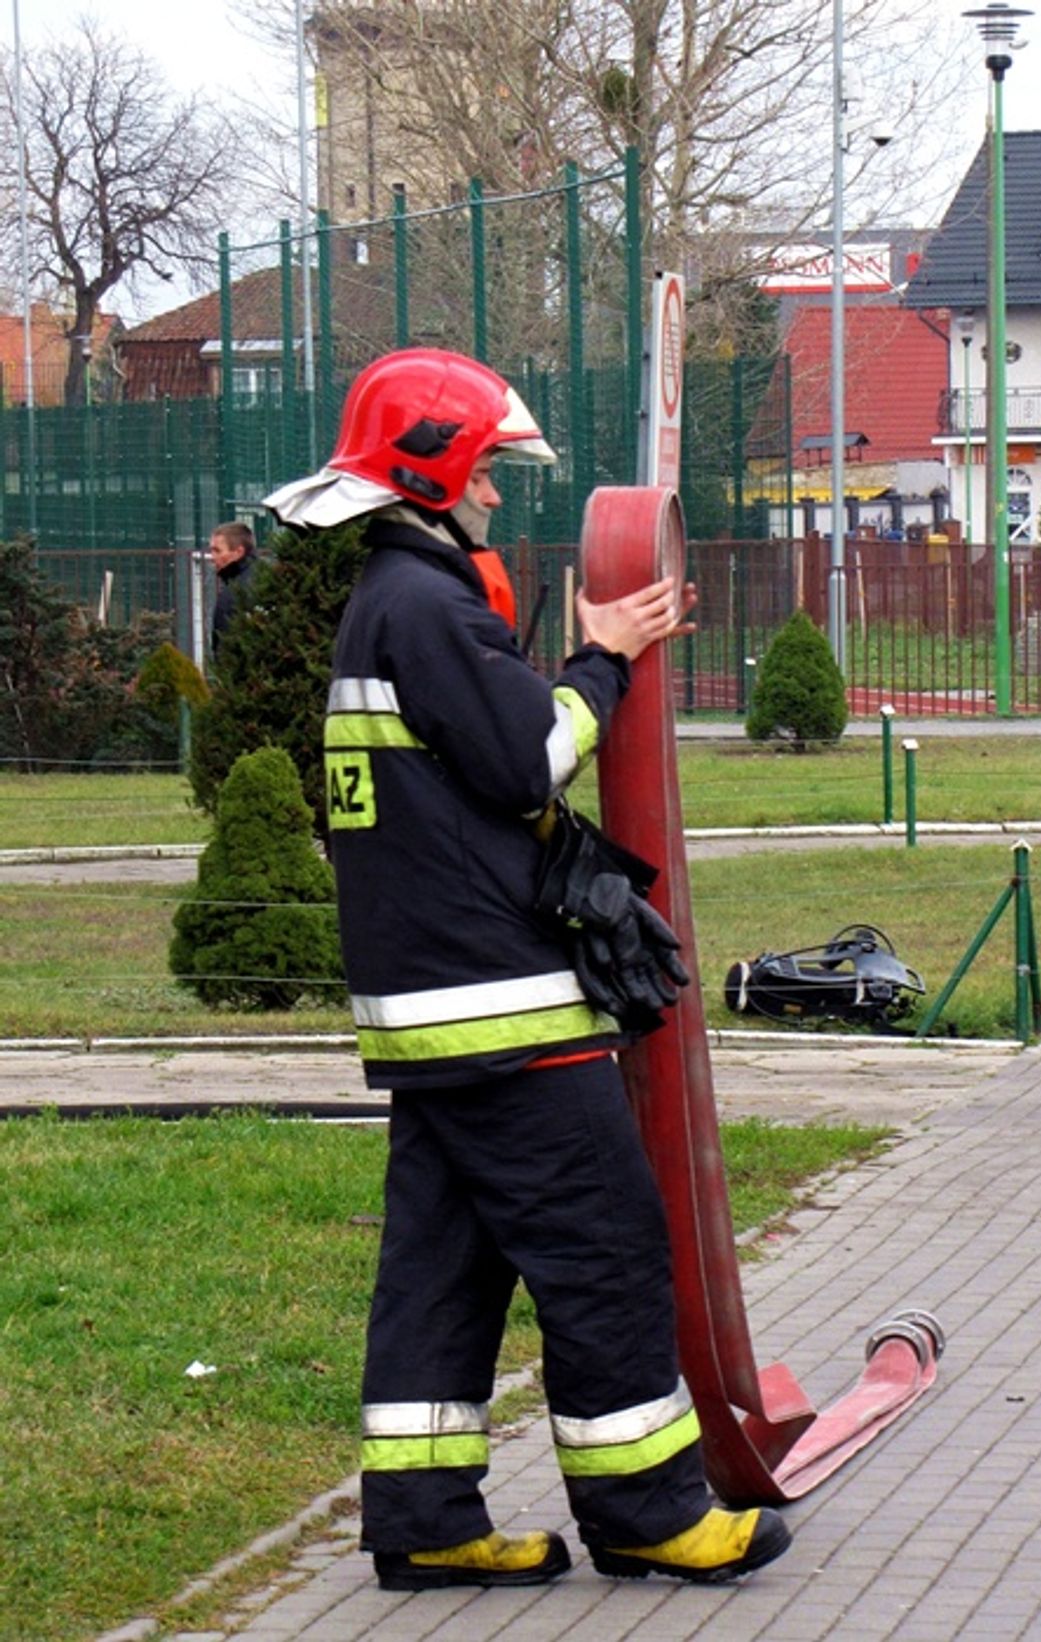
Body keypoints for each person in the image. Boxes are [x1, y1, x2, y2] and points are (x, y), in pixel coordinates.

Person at [264, 348, 792, 1592]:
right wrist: (599, 656)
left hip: (434, 1021)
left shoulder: (385, 605)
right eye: (490, 471)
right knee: (603, 1246)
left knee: (442, 1272)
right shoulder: (428, 606)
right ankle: (651, 1510)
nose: (500, 495)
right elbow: (523, 760)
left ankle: (428, 1518)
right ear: (433, 469)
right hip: (506, 1016)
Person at [208, 521, 257, 655]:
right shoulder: (265, 575)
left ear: (238, 552)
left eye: (217, 550)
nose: (212, 557)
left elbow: (225, 645)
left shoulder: (234, 592)